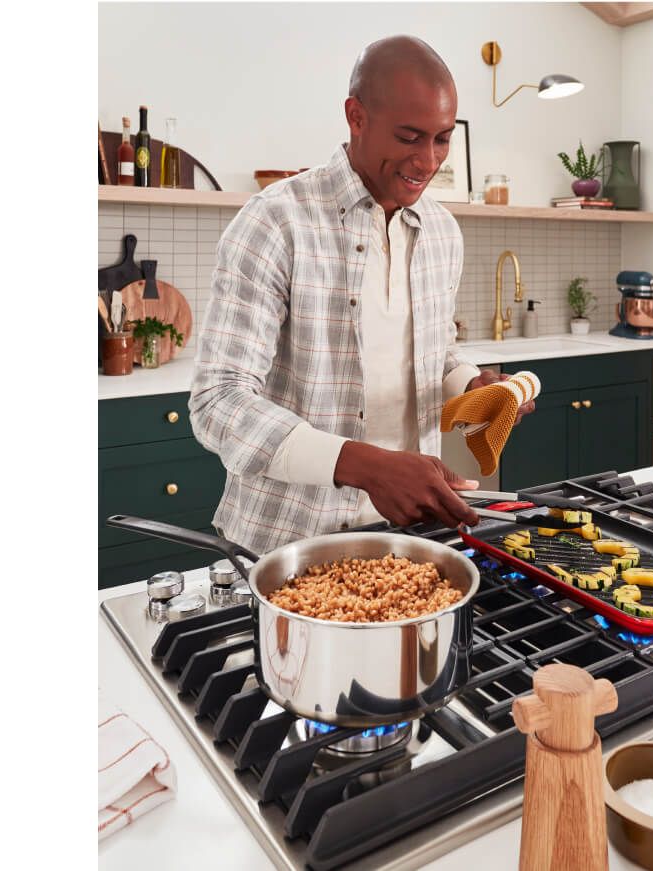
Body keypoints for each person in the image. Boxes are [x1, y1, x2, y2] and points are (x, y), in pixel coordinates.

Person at [191, 35, 533, 551]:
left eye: (441, 139)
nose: (427, 161)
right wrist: (366, 465)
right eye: (410, 137)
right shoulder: (275, 222)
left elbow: (432, 355)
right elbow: (218, 401)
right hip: (284, 540)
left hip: (410, 532)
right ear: (356, 116)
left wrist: (470, 386)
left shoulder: (442, 233)